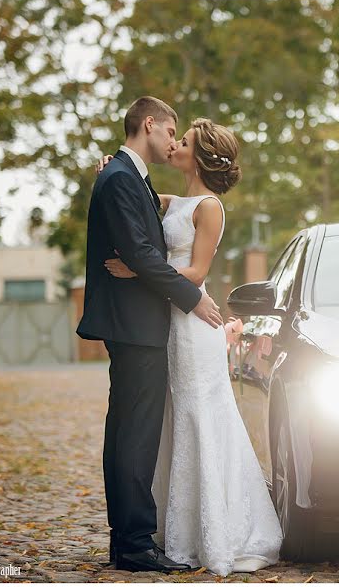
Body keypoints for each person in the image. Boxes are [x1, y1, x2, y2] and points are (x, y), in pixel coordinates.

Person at [96, 116, 283, 576]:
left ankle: (218, 529)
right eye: (175, 137)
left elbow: (196, 274)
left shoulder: (210, 208)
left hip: (194, 326)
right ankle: (167, 528)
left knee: (201, 416)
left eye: (185, 141)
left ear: (198, 156)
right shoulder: (177, 200)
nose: (175, 145)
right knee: (170, 421)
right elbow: (134, 196)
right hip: (168, 323)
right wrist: (110, 165)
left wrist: (138, 272)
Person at [77, 96, 224, 573]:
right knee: (135, 436)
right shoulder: (121, 176)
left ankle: (128, 540)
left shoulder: (127, 176)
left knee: (127, 433)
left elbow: (145, 245)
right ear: (149, 124)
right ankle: (136, 544)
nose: (171, 142)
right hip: (136, 325)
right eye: (169, 132)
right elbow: (141, 253)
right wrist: (193, 298)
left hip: (138, 322)